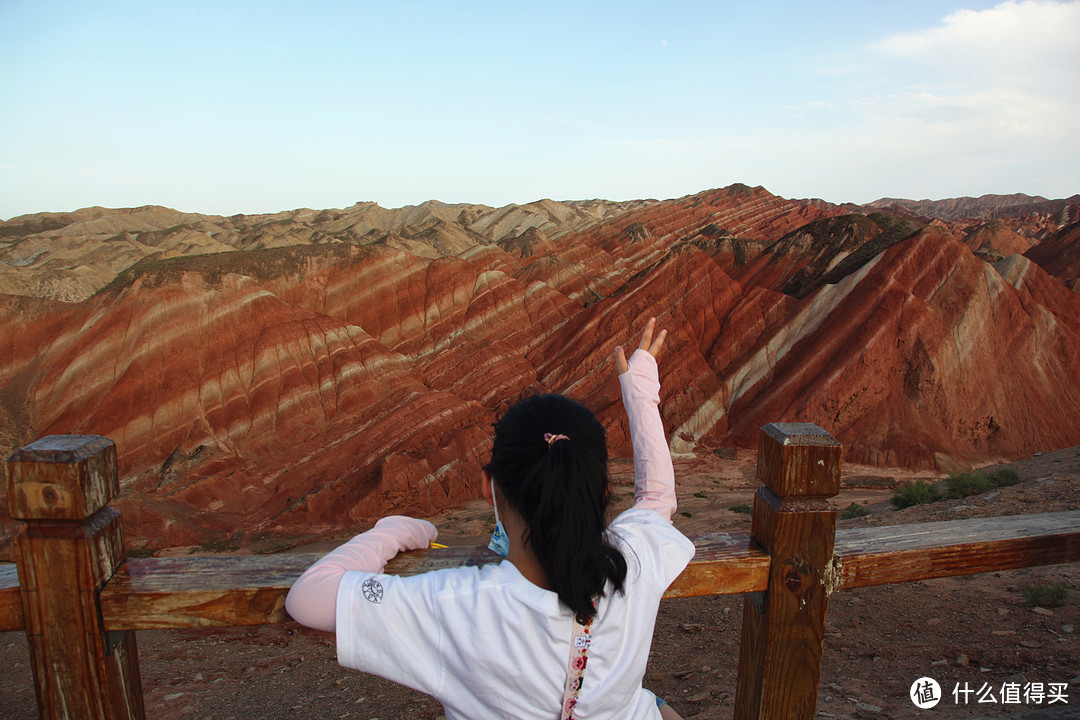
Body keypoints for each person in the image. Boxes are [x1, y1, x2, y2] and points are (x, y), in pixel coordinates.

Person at [286, 318, 695, 719]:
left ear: (488, 487)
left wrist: (391, 531)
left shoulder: (457, 605)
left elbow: (308, 598)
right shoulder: (634, 564)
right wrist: (640, 393)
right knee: (651, 704)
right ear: (601, 492)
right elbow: (657, 499)